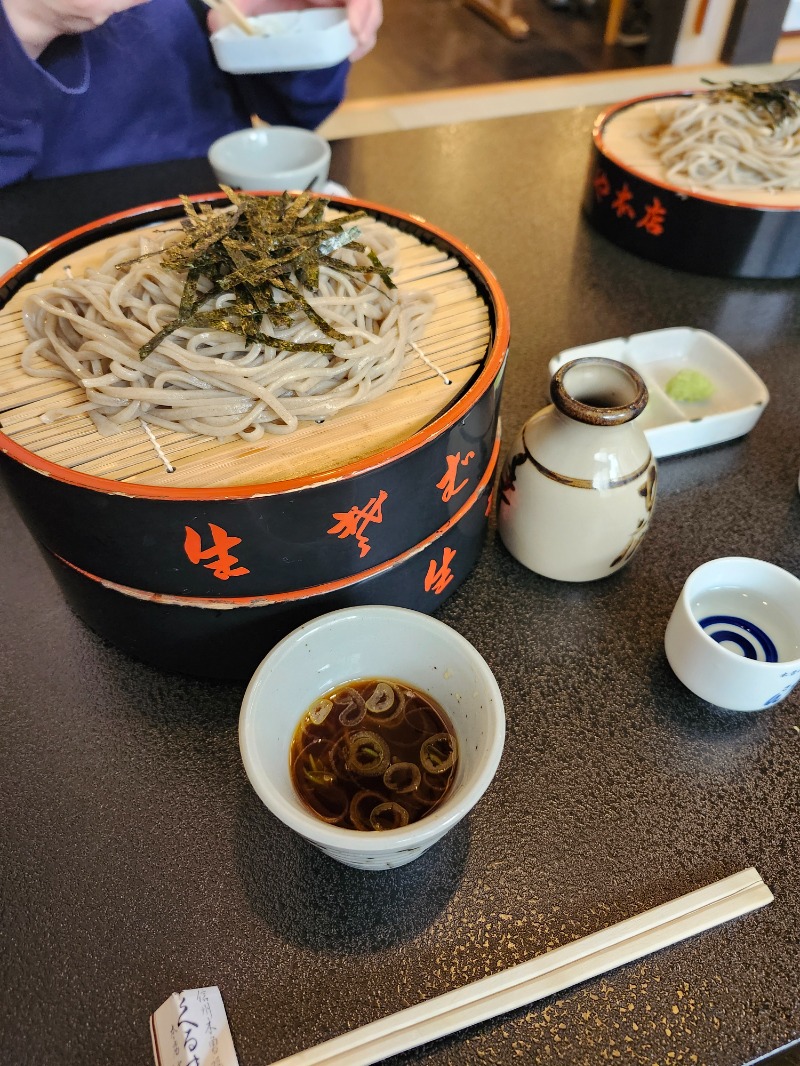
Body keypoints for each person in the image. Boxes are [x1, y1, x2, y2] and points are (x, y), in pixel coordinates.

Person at [0, 0, 382, 188]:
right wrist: (24, 22)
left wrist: (295, 25)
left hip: (224, 206)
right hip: (52, 245)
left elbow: (303, 110)